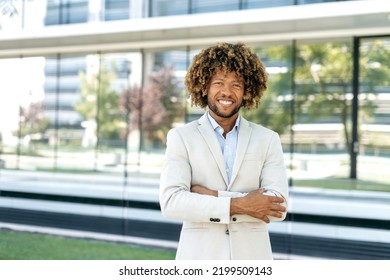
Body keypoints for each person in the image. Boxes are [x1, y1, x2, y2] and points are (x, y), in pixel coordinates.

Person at [159, 42, 288, 260]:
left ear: (247, 90)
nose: (226, 92)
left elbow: (278, 207)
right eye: (218, 82)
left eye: (236, 84)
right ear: (204, 87)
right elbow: (172, 202)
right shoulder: (181, 137)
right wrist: (241, 204)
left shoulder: (267, 139)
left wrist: (213, 196)